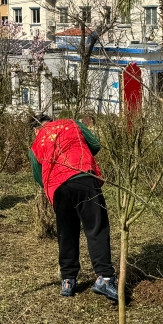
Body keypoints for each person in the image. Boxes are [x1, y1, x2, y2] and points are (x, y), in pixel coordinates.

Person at [29, 116, 117, 301]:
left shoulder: (37, 143)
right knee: (96, 227)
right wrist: (80, 150)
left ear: (36, 130)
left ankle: (68, 280)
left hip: (59, 187)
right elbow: (95, 144)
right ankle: (105, 278)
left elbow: (38, 176)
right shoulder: (71, 123)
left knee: (66, 232)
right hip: (84, 176)